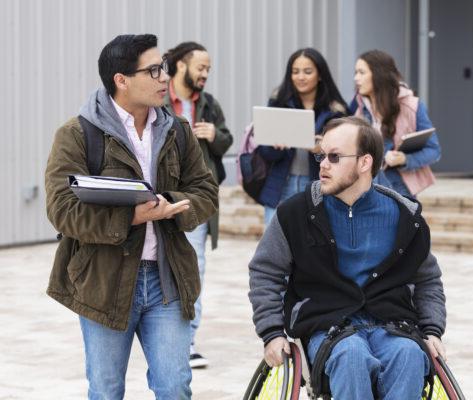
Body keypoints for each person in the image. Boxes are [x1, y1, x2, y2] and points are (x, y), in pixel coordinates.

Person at [45, 34, 219, 399]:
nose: (163, 78)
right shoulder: (77, 134)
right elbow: (62, 210)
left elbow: (206, 191)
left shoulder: (177, 131)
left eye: (164, 68)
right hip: (104, 282)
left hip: (166, 280)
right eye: (153, 70)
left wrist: (170, 204)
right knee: (107, 390)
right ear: (120, 80)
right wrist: (130, 219)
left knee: (175, 387)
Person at [248, 116, 446, 399]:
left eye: (334, 157)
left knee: (410, 355)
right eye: (321, 155)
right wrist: (272, 332)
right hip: (327, 327)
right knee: (351, 355)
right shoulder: (295, 214)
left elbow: (428, 279)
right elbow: (265, 272)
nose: (323, 164)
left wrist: (432, 330)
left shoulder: (404, 216)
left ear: (364, 163)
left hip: (391, 324)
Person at [163, 41, 233, 368]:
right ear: (181, 66)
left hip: (194, 202)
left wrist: (213, 135)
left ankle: (187, 342)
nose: (205, 74)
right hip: (158, 198)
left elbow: (226, 139)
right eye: (201, 67)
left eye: (208, 69)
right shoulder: (158, 98)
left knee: (194, 268)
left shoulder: (208, 104)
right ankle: (160, 334)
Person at [257, 47, 347, 224]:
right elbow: (265, 152)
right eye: (295, 72)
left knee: (313, 243)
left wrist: (322, 150)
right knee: (274, 243)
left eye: (307, 72)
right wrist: (276, 147)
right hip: (281, 183)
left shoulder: (336, 111)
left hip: (319, 184)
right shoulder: (278, 103)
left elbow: (345, 155)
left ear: (320, 75)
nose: (300, 77)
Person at [351, 49, 441, 199]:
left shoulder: (412, 105)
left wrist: (405, 159)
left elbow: (434, 150)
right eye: (356, 72)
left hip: (398, 188)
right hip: (363, 189)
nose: (356, 78)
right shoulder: (359, 106)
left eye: (361, 72)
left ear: (378, 74)